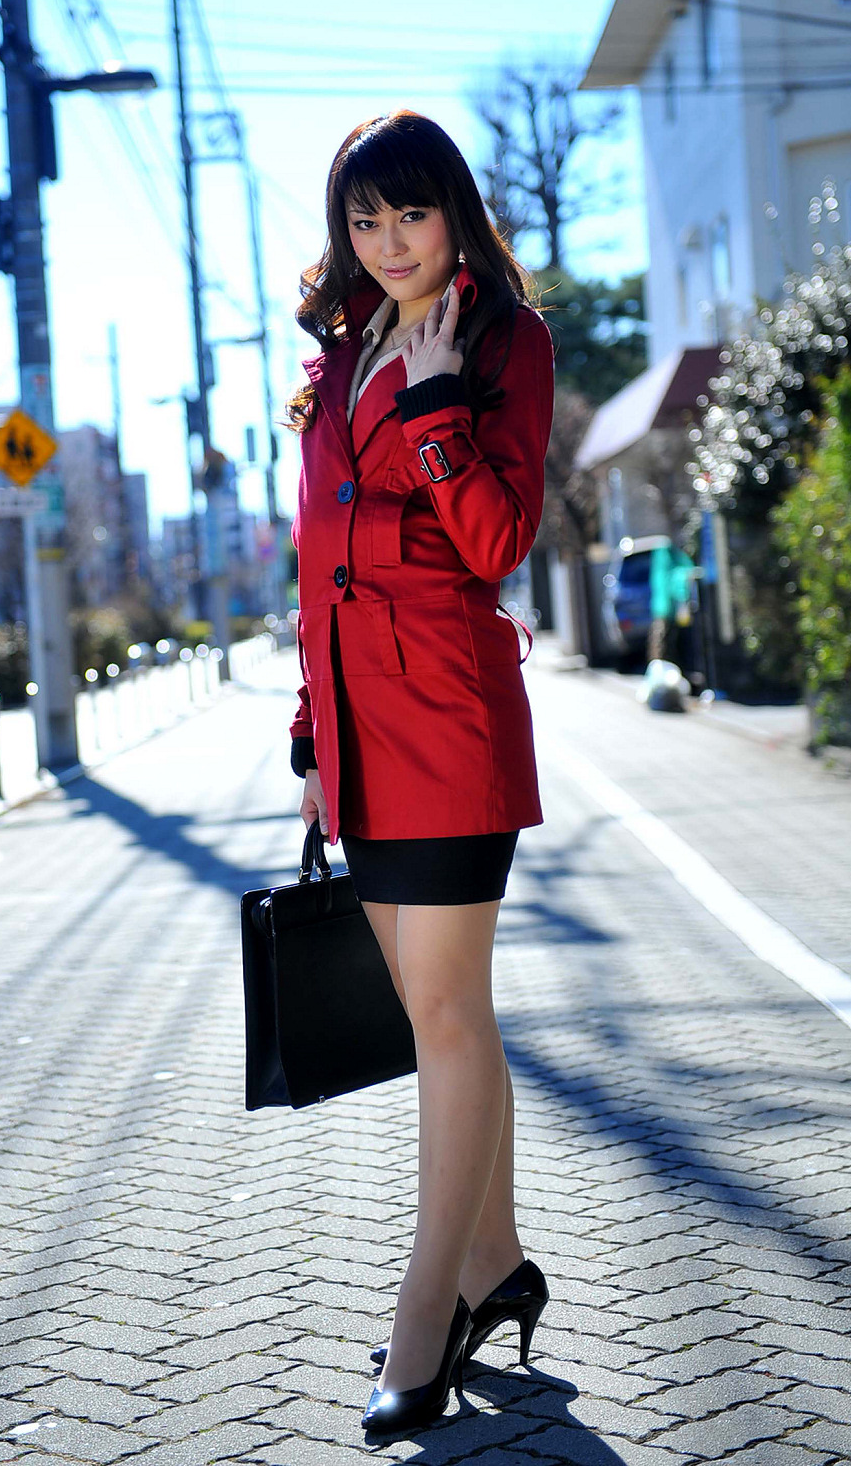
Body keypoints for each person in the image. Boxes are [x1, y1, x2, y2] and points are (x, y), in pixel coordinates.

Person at [284, 109, 556, 1435]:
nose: (390, 242)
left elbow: (498, 541)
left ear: (454, 214)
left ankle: (425, 1314)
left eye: (411, 213)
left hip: (449, 718)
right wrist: (308, 733)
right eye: (365, 219)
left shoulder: (506, 342)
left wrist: (440, 402)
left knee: (445, 1015)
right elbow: (314, 557)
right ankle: (496, 1263)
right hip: (358, 734)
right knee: (441, 1016)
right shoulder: (338, 359)